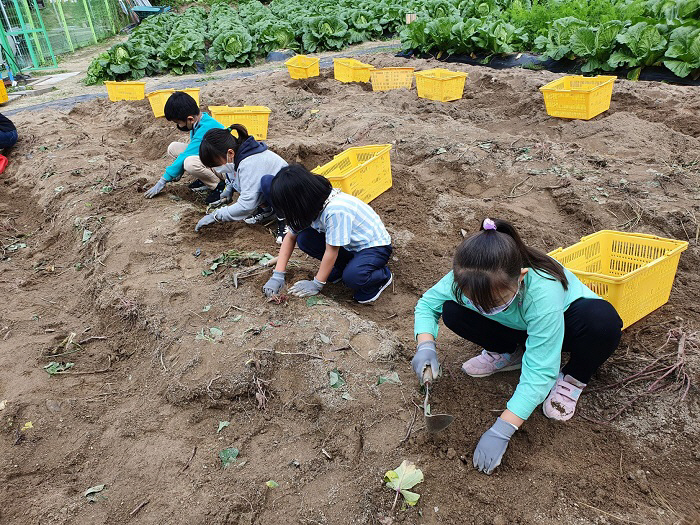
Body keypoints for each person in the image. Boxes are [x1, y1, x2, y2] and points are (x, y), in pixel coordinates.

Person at [411, 218, 622, 475]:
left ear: (521, 277)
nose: (482, 308)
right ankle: (508, 353)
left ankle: (573, 377)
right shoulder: (469, 274)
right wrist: (425, 346)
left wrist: (503, 428)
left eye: (493, 301)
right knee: (452, 310)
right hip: (517, 324)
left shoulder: (543, 289)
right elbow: (427, 305)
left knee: (603, 323)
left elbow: (540, 371)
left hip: (566, 327)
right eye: (475, 300)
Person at [262, 164, 393, 304]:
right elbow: (290, 237)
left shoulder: (335, 210)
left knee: (353, 278)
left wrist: (317, 283)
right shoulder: (310, 206)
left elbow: (332, 251)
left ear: (300, 201)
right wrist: (278, 275)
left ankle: (382, 276)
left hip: (373, 246)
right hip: (349, 245)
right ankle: (344, 266)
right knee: (305, 238)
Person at [194, 124, 288, 242]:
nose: (217, 169)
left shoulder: (250, 163)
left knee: (267, 183)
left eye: (216, 165)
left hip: (291, 197)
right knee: (253, 185)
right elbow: (232, 177)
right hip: (273, 195)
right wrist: (228, 190)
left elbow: (246, 205)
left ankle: (286, 222)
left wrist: (216, 215)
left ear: (230, 153)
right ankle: (268, 211)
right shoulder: (236, 158)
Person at [144, 91, 225, 203]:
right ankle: (205, 179)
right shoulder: (200, 120)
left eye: (178, 122)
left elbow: (188, 154)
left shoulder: (207, 128)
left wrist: (163, 181)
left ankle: (219, 186)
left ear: (190, 119)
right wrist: (178, 170)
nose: (179, 126)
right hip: (213, 157)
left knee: (189, 163)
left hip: (226, 168)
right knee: (173, 148)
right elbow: (192, 150)